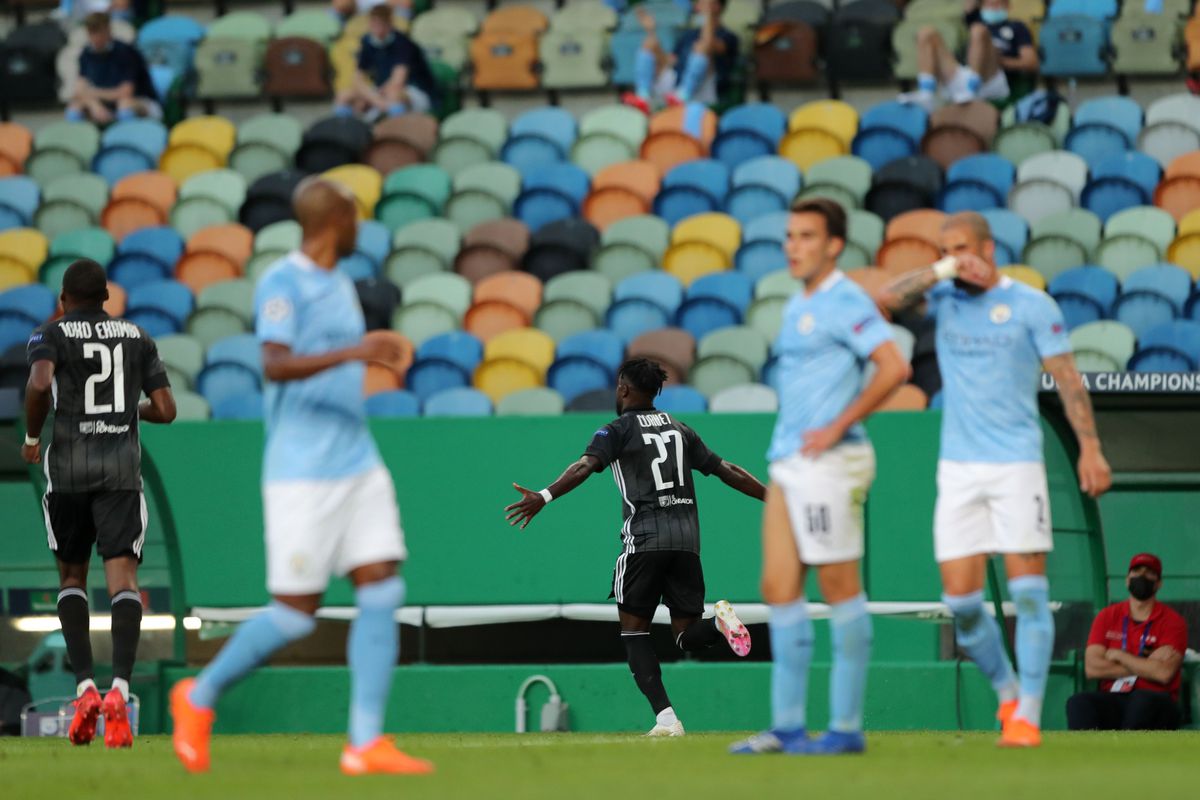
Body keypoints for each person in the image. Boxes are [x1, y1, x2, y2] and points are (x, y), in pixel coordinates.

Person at [169, 178, 431, 777]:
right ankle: (199, 696)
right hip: (301, 471)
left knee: (382, 584)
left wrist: (362, 352)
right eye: (354, 212)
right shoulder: (282, 283)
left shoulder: (339, 281)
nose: (360, 222)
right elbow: (275, 363)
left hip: (357, 458)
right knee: (294, 613)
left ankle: (364, 743)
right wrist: (356, 352)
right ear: (335, 217)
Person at [879, 211, 1112, 748]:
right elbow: (888, 298)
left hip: (1016, 465)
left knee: (1029, 596)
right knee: (960, 602)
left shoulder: (1032, 305)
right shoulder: (945, 299)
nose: (955, 256)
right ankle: (1007, 692)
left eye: (962, 247)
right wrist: (941, 270)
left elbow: (1071, 381)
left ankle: (1028, 715)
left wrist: (1091, 448)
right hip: (958, 469)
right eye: (946, 249)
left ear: (989, 248)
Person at [729, 199, 909, 756]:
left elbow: (895, 367)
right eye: (788, 235)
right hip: (789, 459)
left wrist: (838, 426)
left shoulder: (844, 298)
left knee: (838, 590)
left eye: (806, 235)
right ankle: (786, 728)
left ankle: (846, 729)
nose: (793, 245)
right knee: (778, 587)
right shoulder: (796, 303)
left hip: (832, 461)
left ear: (834, 245)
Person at [504, 357, 765, 737]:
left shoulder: (616, 431)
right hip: (687, 544)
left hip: (644, 541)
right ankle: (720, 621)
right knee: (686, 634)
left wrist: (543, 496)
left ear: (624, 389)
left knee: (634, 632)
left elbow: (583, 467)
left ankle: (667, 719)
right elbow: (728, 471)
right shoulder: (680, 430)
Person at [21, 258, 177, 748]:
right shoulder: (138, 337)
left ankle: (85, 686)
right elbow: (167, 410)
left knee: (71, 578)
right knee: (123, 580)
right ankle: (121, 691)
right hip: (118, 475)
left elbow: (41, 384)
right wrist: (133, 409)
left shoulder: (50, 334)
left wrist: (30, 436)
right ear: (107, 299)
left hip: (67, 474)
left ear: (64, 300)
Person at [1067, 553, 1188, 731]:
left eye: (1149, 573)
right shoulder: (1107, 616)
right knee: (1078, 702)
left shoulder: (1173, 621)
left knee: (1141, 700)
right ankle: (1086, 756)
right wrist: (1147, 665)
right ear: (1127, 580)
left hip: (1157, 700)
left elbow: (1163, 673)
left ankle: (1127, 756)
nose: (1142, 576)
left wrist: (1119, 656)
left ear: (1159, 583)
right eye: (1136, 571)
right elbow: (1092, 668)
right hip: (1114, 695)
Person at [898, 0, 1039, 113]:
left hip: (992, 77)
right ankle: (927, 94)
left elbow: (1031, 62)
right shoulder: (972, 20)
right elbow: (969, 6)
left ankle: (973, 89)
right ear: (982, 6)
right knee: (926, 33)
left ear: (1007, 5)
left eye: (997, 4)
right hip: (966, 73)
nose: (993, 8)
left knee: (978, 30)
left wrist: (1000, 60)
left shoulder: (1017, 27)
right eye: (989, 4)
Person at [620, 0, 739, 115]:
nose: (700, 5)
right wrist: (651, 31)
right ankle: (643, 97)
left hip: (706, 88)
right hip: (678, 82)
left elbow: (707, 44)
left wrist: (708, 15)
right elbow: (671, 61)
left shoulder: (729, 36)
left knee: (702, 46)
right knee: (649, 43)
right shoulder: (689, 34)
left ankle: (682, 96)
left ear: (717, 6)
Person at [334, 3, 436, 121]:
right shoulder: (367, 41)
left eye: (381, 24)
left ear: (389, 23)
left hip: (414, 90)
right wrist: (373, 99)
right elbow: (358, 79)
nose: (377, 28)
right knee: (344, 96)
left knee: (393, 95)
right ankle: (344, 130)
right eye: (374, 24)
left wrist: (377, 100)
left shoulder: (403, 43)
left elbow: (397, 81)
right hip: (382, 91)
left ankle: (397, 129)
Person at [67, 12, 160, 124]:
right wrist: (94, 105)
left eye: (99, 32)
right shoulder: (86, 54)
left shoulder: (126, 52)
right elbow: (79, 90)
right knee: (75, 107)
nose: (96, 37)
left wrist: (93, 93)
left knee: (124, 105)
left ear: (108, 30)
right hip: (107, 102)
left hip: (141, 101)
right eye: (92, 32)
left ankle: (128, 139)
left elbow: (125, 92)